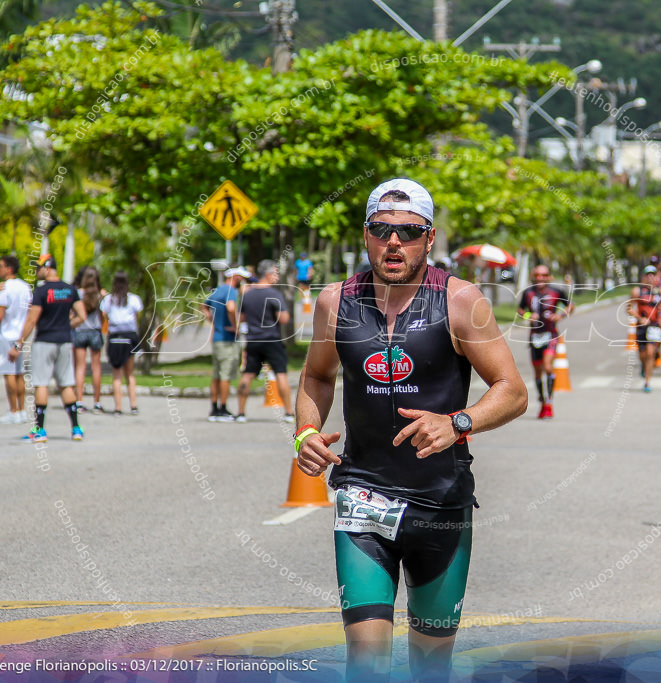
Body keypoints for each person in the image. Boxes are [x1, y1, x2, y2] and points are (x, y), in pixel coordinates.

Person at [294, 178, 526, 682]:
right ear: (366, 235)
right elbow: (316, 375)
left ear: (429, 237)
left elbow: (512, 390)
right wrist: (305, 431)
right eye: (381, 229)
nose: (393, 242)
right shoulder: (336, 302)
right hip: (363, 497)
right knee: (367, 661)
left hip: (440, 505)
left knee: (429, 666)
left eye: (407, 231)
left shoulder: (461, 301)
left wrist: (458, 422)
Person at [8, 255, 86, 442]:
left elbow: (32, 320)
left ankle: (39, 430)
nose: (36, 272)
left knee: (41, 383)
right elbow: (82, 316)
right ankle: (76, 428)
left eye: (39, 268)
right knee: (66, 384)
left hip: (45, 341)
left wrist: (18, 344)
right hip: (65, 341)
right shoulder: (70, 290)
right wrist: (67, 326)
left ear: (48, 268)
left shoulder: (41, 292)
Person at [235, 259, 294, 423]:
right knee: (280, 373)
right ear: (267, 274)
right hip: (272, 340)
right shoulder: (274, 294)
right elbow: (283, 318)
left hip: (253, 340)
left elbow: (242, 318)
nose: (276, 276)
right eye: (275, 273)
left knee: (247, 375)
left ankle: (240, 412)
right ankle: (289, 412)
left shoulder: (247, 294)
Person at [516, 265, 572, 418]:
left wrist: (560, 315)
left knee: (548, 366)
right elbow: (520, 310)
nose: (541, 278)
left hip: (551, 334)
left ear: (549, 277)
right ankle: (542, 399)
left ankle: (549, 401)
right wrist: (528, 315)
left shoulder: (557, 291)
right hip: (535, 336)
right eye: (538, 275)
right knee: (538, 372)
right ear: (534, 276)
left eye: (544, 275)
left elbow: (570, 306)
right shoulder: (528, 293)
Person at [0, 255, 32, 424]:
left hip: (6, 335)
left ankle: (13, 410)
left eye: (0, 266)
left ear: (9, 269)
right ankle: (21, 410)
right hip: (20, 335)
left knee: (9, 374)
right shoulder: (25, 287)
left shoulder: (4, 288)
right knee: (19, 374)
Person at [203, 266, 248, 421]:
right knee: (226, 375)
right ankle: (223, 409)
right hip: (227, 340)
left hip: (217, 338)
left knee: (216, 375)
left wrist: (212, 321)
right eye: (241, 277)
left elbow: (204, 305)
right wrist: (235, 326)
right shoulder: (231, 291)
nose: (242, 280)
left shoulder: (218, 290)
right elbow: (231, 307)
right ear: (235, 276)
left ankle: (214, 409)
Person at [101, 271, 143, 415]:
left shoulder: (108, 299)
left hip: (114, 337)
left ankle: (118, 408)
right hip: (129, 337)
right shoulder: (134, 299)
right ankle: (134, 406)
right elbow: (136, 316)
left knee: (116, 374)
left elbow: (104, 315)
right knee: (130, 373)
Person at [627, 265, 661, 392]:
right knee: (643, 354)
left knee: (650, 353)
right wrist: (639, 318)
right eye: (648, 275)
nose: (650, 277)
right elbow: (629, 308)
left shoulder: (660, 291)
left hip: (654, 325)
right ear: (643, 277)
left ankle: (647, 382)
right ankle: (644, 366)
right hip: (641, 326)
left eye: (653, 274)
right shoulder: (637, 291)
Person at [72, 266, 106, 413]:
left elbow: (72, 314)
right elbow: (104, 316)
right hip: (95, 331)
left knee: (80, 367)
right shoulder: (101, 294)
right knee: (96, 367)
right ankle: (97, 403)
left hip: (79, 331)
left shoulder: (77, 293)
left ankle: (79, 401)